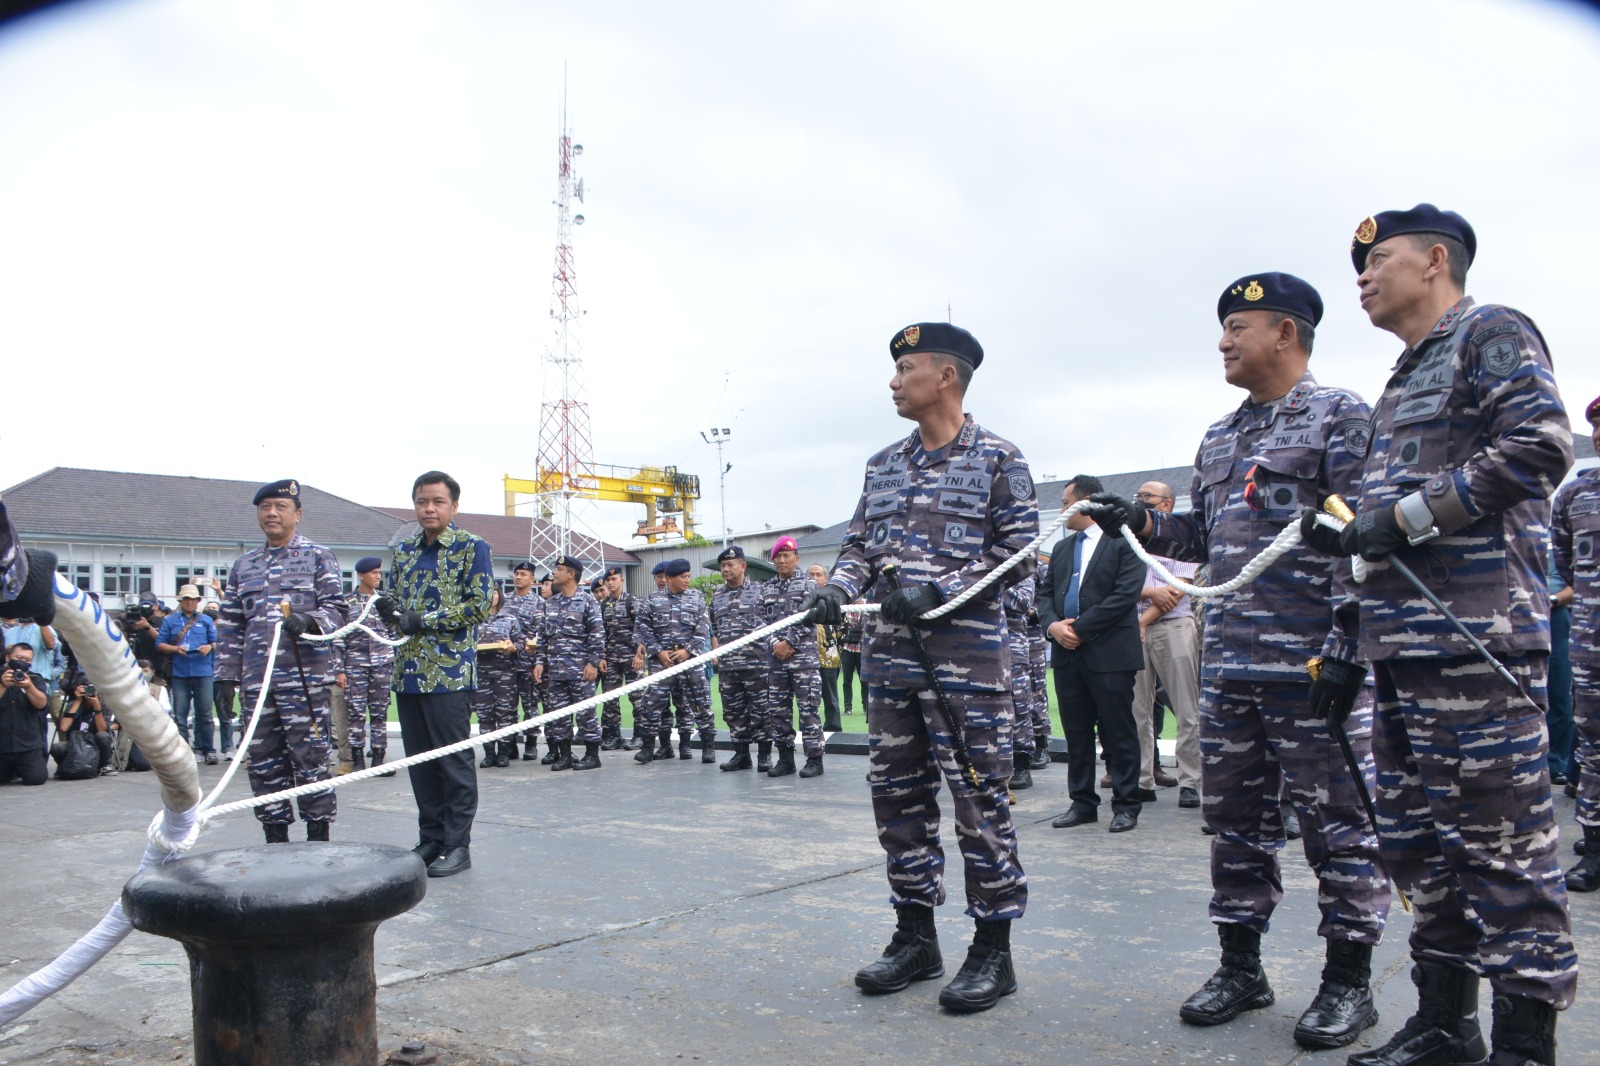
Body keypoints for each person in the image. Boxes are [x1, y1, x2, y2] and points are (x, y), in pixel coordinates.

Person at [1297, 206, 1575, 1065]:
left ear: (1437, 260)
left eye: (1378, 260)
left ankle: (1524, 1045)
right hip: (1399, 654)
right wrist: (1346, 647)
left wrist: (1411, 515)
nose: (1362, 278)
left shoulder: (1488, 332)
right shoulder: (1397, 382)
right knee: (1420, 853)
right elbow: (1366, 538)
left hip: (1475, 646)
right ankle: (1446, 1023)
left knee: (1505, 855)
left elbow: (1540, 444)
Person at [1097, 272, 1389, 1049]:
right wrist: (1145, 524)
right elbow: (1206, 541)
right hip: (1230, 667)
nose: (1223, 342)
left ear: (1285, 333)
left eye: (1237, 328)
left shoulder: (1342, 417)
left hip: (1313, 668)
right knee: (1234, 826)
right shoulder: (1220, 435)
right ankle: (1241, 967)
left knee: (1338, 829)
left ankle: (1347, 983)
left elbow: (1363, 545)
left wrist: (1348, 649)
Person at [803, 321, 1036, 1014]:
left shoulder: (999, 458)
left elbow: (1021, 553)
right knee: (898, 803)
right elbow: (857, 547)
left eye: (906, 367)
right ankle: (915, 937)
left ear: (947, 377)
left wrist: (944, 591)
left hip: (966, 665)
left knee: (978, 802)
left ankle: (993, 950)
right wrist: (837, 589)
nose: (894, 380)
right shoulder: (882, 465)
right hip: (891, 664)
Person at [215, 479, 348, 844]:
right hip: (258, 683)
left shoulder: (319, 557)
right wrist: (225, 676)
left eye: (280, 506)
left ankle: (318, 836)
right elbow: (230, 624)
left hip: (303, 680)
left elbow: (338, 609)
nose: (271, 513)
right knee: (262, 761)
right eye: (265, 507)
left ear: (297, 514)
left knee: (311, 758)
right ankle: (274, 838)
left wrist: (310, 620)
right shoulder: (245, 566)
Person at [379, 471, 494, 878]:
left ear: (454, 506)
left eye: (438, 501)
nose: (429, 508)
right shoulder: (405, 549)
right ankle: (430, 837)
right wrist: (389, 609)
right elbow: (395, 598)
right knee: (420, 761)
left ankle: (457, 843)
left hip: (447, 674)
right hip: (408, 672)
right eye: (422, 501)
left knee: (452, 760)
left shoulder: (471, 547)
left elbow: (480, 605)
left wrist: (423, 619)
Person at [1039, 475, 1147, 832]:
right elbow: (1045, 595)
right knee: (1077, 731)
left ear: (1086, 502)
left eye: (1066, 501)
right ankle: (1082, 801)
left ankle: (1127, 803)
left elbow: (1124, 595)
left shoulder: (1124, 541)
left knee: (1118, 730)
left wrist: (1078, 630)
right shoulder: (1063, 548)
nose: (1062, 510)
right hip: (1068, 654)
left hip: (1110, 652)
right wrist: (1054, 628)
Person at [1127, 482, 1202, 808]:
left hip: (1173, 626)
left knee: (1187, 709)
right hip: (1133, 628)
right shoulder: (1128, 539)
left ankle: (1190, 781)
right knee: (1138, 710)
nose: (1140, 501)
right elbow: (1119, 584)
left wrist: (1142, 622)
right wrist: (1143, 598)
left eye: (1147, 498)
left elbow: (1176, 590)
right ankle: (1143, 780)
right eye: (1138, 497)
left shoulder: (1183, 538)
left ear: (1167, 504)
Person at [1555, 391, 1600, 893]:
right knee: (1593, 746)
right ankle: (1595, 843)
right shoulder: (1577, 494)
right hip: (1591, 642)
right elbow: (1565, 566)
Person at [631, 558, 713, 764]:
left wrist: (689, 651)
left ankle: (706, 747)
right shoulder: (652, 600)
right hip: (662, 662)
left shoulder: (697, 598)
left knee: (700, 702)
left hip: (689, 661)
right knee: (652, 705)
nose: (687, 580)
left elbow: (703, 627)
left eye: (688, 576)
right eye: (683, 577)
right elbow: (644, 628)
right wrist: (658, 651)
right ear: (669, 579)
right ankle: (649, 747)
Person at [762, 537, 826, 778]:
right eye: (778, 556)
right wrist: (775, 644)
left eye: (786, 556)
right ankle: (785, 759)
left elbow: (810, 617)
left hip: (803, 661)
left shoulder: (809, 585)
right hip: (776, 661)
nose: (781, 560)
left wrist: (787, 642)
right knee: (778, 711)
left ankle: (814, 759)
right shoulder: (766, 587)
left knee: (808, 709)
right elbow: (759, 621)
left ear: (796, 559)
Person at [535, 556, 605, 771]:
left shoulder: (587, 601)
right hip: (556, 670)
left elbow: (597, 633)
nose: (554, 573)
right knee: (559, 715)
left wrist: (593, 662)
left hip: (580, 669)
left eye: (559, 569)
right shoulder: (550, 603)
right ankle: (565, 756)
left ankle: (592, 755)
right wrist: (540, 662)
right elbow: (543, 637)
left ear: (571, 574)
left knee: (586, 713)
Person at [333, 556, 397, 775]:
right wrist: (339, 669)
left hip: (381, 664)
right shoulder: (346, 602)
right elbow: (339, 637)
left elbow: (394, 632)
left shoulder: (385, 601)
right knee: (356, 714)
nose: (378, 576)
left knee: (379, 713)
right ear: (361, 575)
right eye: (374, 573)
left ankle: (379, 760)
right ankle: (358, 760)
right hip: (356, 665)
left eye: (380, 573)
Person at [710, 545, 770, 771]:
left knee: (761, 710)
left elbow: (771, 624)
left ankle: (764, 755)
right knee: (733, 712)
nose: (725, 569)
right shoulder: (717, 597)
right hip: (728, 666)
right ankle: (741, 754)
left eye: (730, 565)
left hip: (757, 663)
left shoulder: (760, 592)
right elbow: (714, 627)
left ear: (743, 566)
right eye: (722, 566)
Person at [156, 584, 219, 764]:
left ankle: (207, 749)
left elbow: (216, 642)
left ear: (198, 601)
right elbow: (160, 644)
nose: (190, 602)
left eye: (193, 599)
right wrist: (176, 649)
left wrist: (209, 646)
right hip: (180, 672)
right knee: (180, 714)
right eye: (186, 599)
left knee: (205, 713)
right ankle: (183, 750)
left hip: (203, 671)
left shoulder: (206, 620)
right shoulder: (170, 620)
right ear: (181, 601)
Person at [471, 588, 524, 769]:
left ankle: (503, 752)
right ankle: (489, 753)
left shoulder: (509, 619)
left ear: (499, 595)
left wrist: (513, 647)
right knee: (484, 715)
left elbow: (521, 643)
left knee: (505, 714)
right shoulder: (474, 619)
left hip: (504, 673)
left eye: (494, 592)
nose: (491, 596)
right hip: (481, 673)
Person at [597, 565, 643, 751]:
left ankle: (640, 736)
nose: (610, 583)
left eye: (614, 580)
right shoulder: (604, 604)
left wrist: (639, 654)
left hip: (632, 658)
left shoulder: (632, 601)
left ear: (621, 581)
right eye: (608, 580)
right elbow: (601, 633)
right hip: (612, 659)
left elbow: (641, 628)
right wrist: (602, 657)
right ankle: (613, 736)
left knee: (637, 698)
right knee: (610, 698)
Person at [504, 561, 544, 760]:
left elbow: (540, 634)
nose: (518, 577)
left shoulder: (538, 603)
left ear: (532, 579)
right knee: (507, 705)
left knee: (530, 704)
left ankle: (531, 743)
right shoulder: (504, 600)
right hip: (504, 663)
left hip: (527, 662)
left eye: (523, 574)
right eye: (516, 573)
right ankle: (510, 744)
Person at [0, 643, 49, 785]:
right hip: (2, 745)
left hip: (27, 745)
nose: (22, 662)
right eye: (19, 657)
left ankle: (18, 769)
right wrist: (3, 685)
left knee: (37, 778)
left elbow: (41, 704)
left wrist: (29, 687)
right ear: (8, 658)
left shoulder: (35, 679)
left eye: (27, 660)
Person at [51, 674, 116, 777]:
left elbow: (102, 730)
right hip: (76, 744)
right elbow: (63, 727)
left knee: (103, 736)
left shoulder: (103, 705)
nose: (89, 691)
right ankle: (65, 766)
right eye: (86, 687)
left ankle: (104, 765)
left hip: (95, 744)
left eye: (92, 688)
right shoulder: (72, 704)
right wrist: (78, 701)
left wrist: (97, 707)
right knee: (57, 747)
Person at [808, 563, 845, 731]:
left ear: (825, 578)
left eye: (818, 575)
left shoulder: (836, 598)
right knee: (807, 699)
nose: (814, 578)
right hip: (806, 659)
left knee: (831, 698)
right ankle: (808, 729)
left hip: (830, 658)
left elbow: (844, 628)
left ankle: (834, 729)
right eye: (811, 575)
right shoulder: (802, 600)